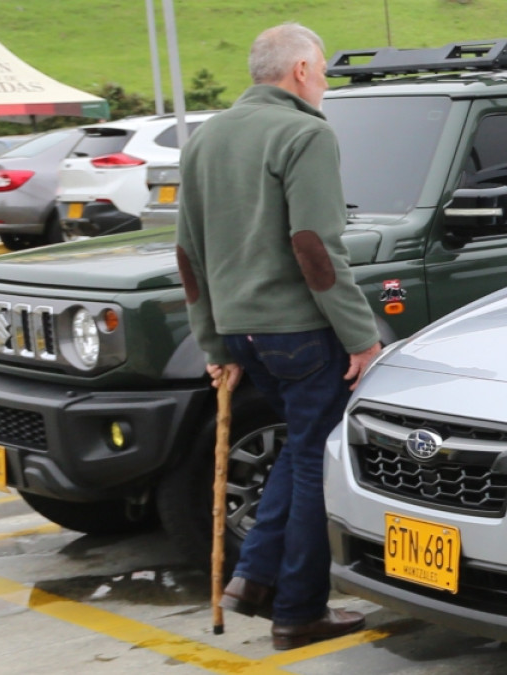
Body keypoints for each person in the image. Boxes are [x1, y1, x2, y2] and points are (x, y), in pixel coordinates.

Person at [175, 22, 381, 651]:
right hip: (298, 332)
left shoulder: (206, 137)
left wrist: (214, 347)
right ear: (298, 71)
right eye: (320, 71)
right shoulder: (304, 132)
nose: (323, 83)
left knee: (297, 455)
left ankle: (255, 580)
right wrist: (362, 337)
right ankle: (295, 609)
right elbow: (315, 247)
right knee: (315, 462)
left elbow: (189, 255)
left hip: (240, 334)